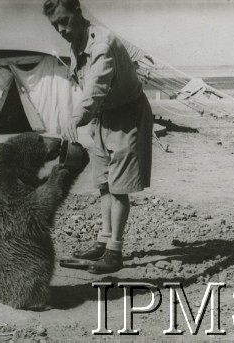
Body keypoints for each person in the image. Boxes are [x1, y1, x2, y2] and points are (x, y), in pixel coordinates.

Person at [43, 0, 153, 274]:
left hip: (127, 115)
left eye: (64, 21)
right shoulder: (77, 43)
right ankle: (103, 242)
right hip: (103, 116)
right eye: (55, 24)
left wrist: (76, 118)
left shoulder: (102, 44)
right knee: (103, 182)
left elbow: (95, 88)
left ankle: (114, 252)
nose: (61, 29)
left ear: (78, 13)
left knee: (119, 186)